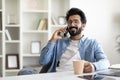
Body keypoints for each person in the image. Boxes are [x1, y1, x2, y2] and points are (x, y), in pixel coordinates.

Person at [18, 7, 110, 75]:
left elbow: (105, 62)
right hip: (56, 76)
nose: (72, 24)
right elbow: (43, 61)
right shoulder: (59, 42)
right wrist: (52, 40)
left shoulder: (92, 43)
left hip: (77, 77)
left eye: (76, 21)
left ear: (83, 25)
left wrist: (94, 66)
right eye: (69, 22)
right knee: (24, 72)